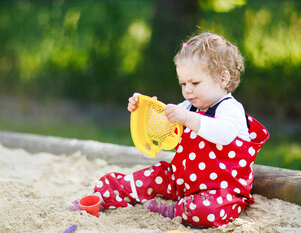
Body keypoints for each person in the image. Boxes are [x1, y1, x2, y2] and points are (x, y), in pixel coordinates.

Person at [69, 32, 269, 227]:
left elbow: (224, 134)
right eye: (183, 83)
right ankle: (102, 195)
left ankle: (172, 211)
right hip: (180, 180)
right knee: (147, 177)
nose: (187, 90)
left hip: (221, 189)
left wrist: (189, 118)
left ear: (223, 78)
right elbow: (161, 132)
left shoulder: (230, 108)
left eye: (195, 83)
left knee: (208, 210)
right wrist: (146, 111)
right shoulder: (188, 106)